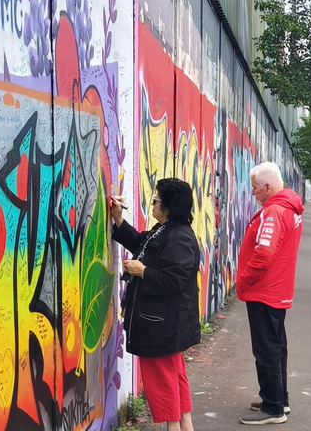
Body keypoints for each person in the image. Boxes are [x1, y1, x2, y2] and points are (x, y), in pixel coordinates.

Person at [109, 178, 201, 431]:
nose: (152, 204)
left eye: (156, 200)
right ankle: (185, 426)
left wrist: (143, 271)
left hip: (162, 324)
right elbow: (142, 244)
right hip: (163, 322)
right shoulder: (167, 229)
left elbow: (175, 281)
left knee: (164, 380)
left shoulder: (178, 236)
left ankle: (174, 427)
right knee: (174, 375)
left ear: (169, 206)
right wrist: (118, 219)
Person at [237, 162, 305, 425]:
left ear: (267, 187)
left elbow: (264, 254)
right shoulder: (289, 208)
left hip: (264, 291)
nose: (253, 193)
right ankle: (278, 399)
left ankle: (273, 408)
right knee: (277, 347)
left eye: (255, 188)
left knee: (266, 349)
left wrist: (243, 279)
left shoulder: (274, 211)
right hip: (277, 290)